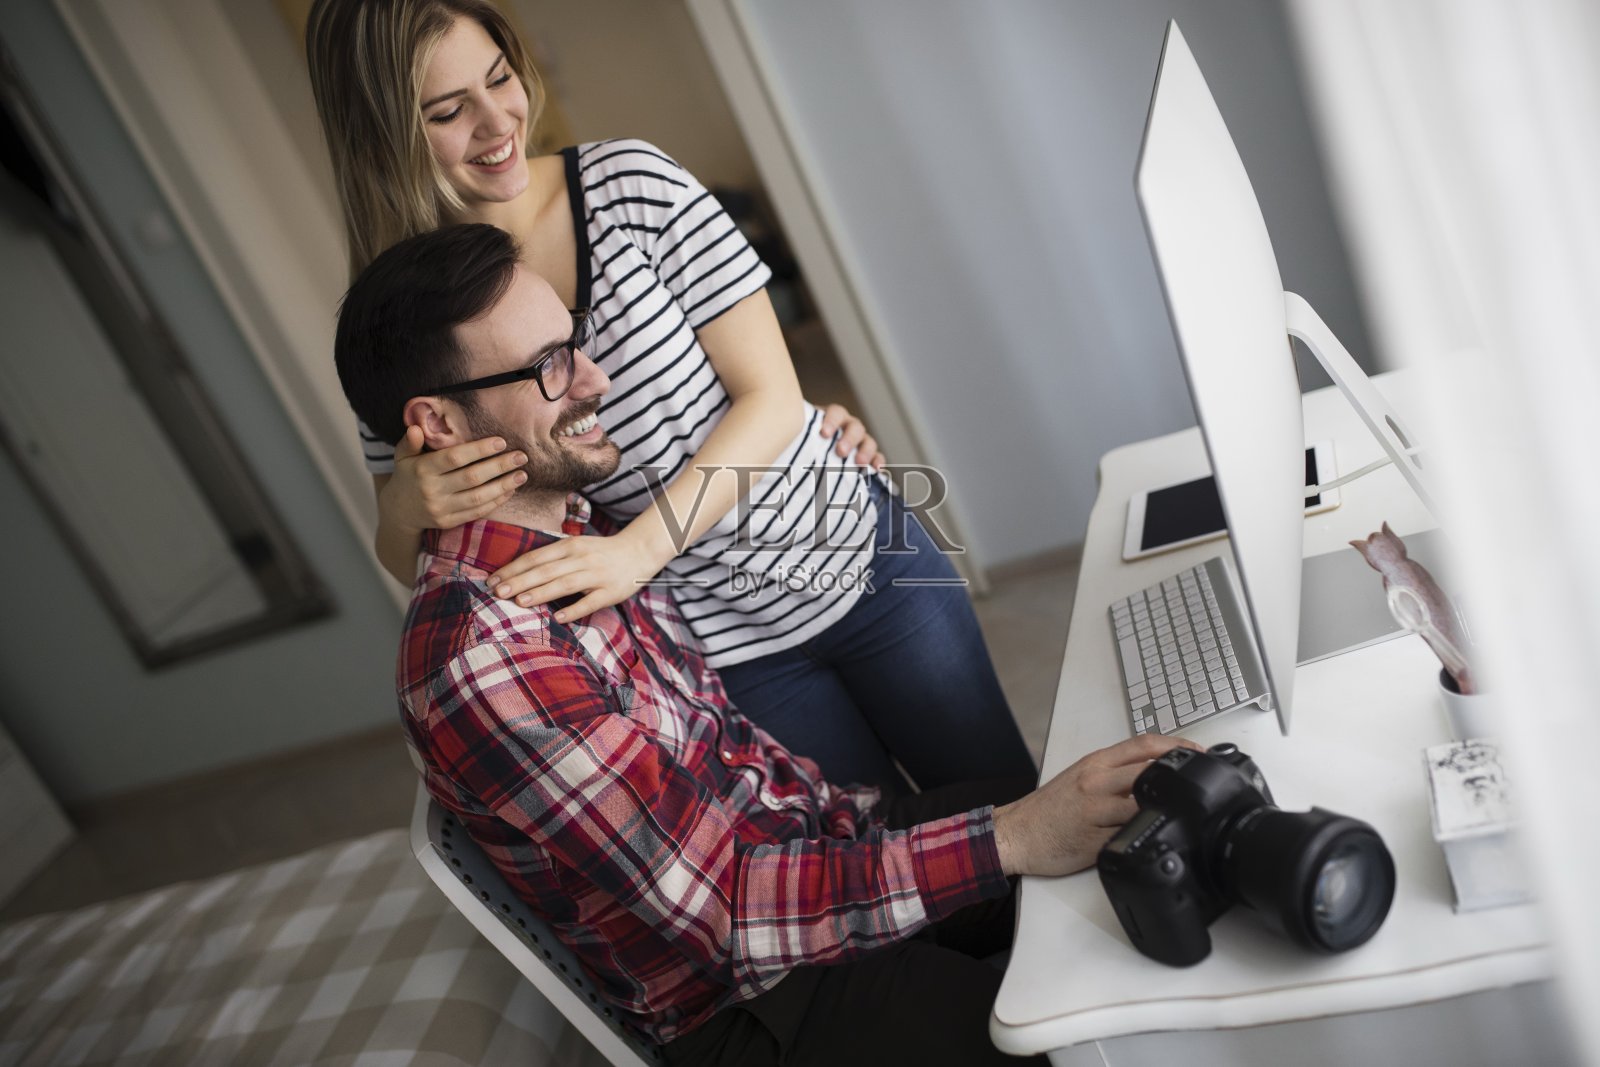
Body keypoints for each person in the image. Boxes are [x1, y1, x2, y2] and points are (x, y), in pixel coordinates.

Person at [334, 222, 1194, 1065]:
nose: (596, 378)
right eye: (550, 365)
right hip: (757, 996)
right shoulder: (483, 659)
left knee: (1150, 817)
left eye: (576, 341)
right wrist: (1011, 838)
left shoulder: (576, 532)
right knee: (1084, 1036)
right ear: (438, 424)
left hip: (811, 857)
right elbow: (728, 905)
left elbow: (742, 780)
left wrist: (823, 433)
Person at [306, 0, 1035, 794]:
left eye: (500, 78)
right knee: (871, 856)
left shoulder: (630, 186)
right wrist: (404, 509)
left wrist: (639, 550)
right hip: (724, 656)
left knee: (1012, 809)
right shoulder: (401, 317)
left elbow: (771, 398)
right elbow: (412, 559)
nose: (497, 121)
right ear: (384, 134)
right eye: (448, 111)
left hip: (861, 565)